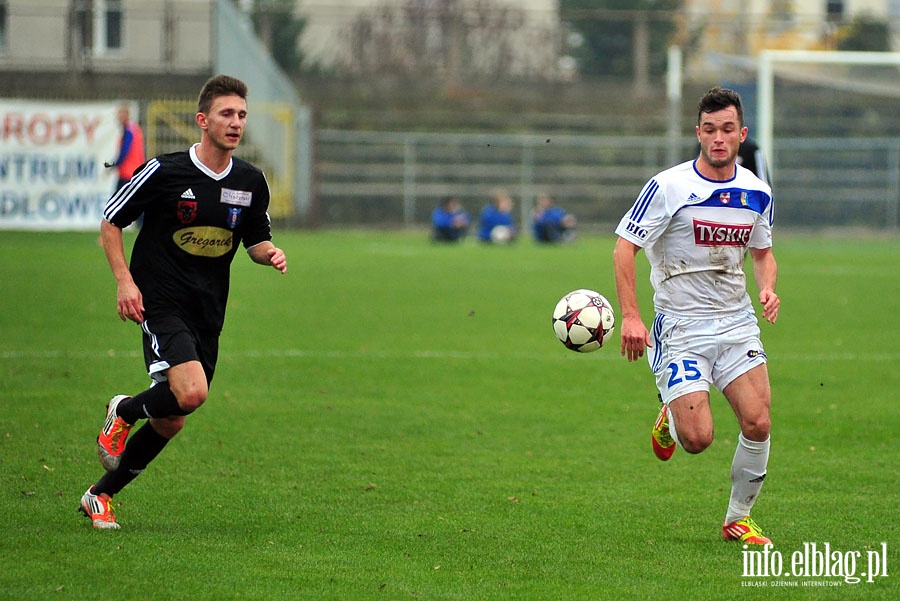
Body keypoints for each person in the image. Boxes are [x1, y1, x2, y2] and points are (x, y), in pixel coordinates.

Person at [80, 74, 288, 530]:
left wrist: (268, 254)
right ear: (203, 120)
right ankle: (125, 409)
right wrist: (125, 283)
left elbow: (255, 239)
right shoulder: (165, 171)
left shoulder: (251, 181)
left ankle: (99, 496)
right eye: (227, 114)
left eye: (242, 115)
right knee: (191, 392)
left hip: (208, 309)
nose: (236, 123)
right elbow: (111, 222)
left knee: (174, 418)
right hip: (159, 299)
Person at [612, 87, 779, 546]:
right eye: (710, 130)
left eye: (728, 130)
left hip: (736, 322)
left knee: (759, 422)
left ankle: (737, 519)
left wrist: (767, 286)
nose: (719, 138)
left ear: (741, 135)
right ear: (698, 133)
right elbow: (625, 247)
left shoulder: (757, 192)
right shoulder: (669, 186)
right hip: (682, 328)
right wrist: (631, 317)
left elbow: (763, 252)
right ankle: (672, 413)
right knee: (698, 439)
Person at [111, 104, 146, 191]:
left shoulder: (129, 130)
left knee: (118, 202)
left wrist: (114, 164)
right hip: (135, 173)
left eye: (120, 114)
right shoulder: (135, 128)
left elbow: (124, 151)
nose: (118, 117)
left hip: (127, 174)